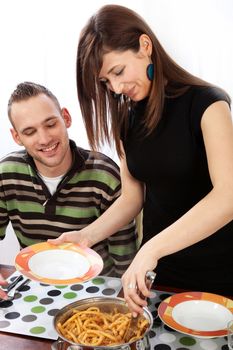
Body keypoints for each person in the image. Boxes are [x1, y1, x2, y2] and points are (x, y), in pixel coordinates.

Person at [51, 4, 233, 313]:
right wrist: (85, 236)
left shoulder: (208, 104)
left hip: (217, 273)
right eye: (106, 82)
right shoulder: (127, 119)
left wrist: (151, 248)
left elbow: (228, 197)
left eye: (118, 71)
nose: (117, 88)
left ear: (144, 46)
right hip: (159, 272)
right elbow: (132, 198)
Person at [0, 81, 138, 299]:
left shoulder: (105, 175)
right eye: (30, 131)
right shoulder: (6, 174)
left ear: (65, 117)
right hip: (33, 292)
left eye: (50, 124)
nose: (44, 139)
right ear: (17, 137)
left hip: (98, 293)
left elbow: (126, 261)